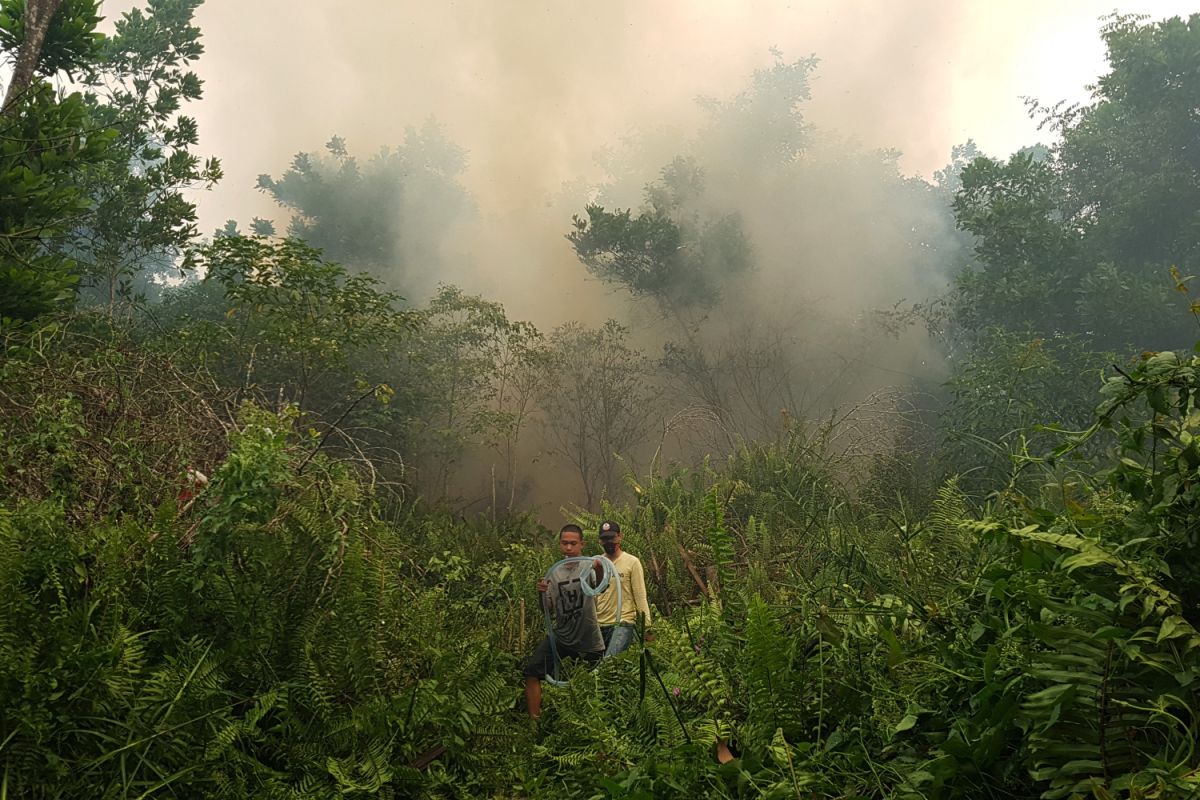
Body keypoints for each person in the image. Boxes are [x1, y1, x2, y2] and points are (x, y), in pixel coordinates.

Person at [523, 524, 605, 719]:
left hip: (589, 638)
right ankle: (534, 724)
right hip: (561, 637)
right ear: (560, 544)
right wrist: (540, 593)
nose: (568, 548)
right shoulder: (553, 573)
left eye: (573, 543)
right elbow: (546, 610)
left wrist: (600, 569)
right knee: (531, 671)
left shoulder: (588, 566)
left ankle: (594, 725)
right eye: (564, 543)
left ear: (582, 545)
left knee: (598, 684)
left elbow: (600, 587)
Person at [594, 520, 653, 657]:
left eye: (612, 537)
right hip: (599, 624)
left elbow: (640, 596)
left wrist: (648, 627)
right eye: (605, 539)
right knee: (598, 670)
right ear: (599, 541)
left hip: (622, 622)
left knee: (609, 663)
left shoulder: (632, 562)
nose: (609, 542)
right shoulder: (596, 564)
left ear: (620, 536)